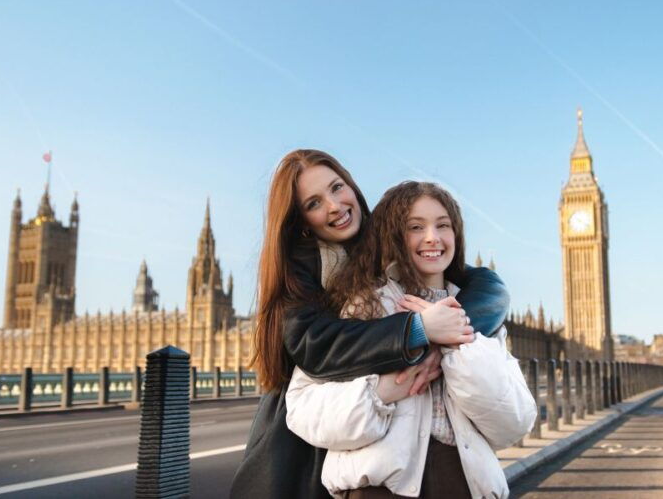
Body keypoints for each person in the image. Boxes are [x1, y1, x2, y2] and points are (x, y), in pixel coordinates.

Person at [229, 150, 510, 499]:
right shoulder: (301, 265)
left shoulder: (386, 239)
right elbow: (316, 345)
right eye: (315, 203)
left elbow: (489, 288)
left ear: (352, 186)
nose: (334, 205)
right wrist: (418, 331)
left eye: (337, 187)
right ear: (302, 221)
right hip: (310, 435)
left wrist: (448, 333)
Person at [285, 181, 536, 498]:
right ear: (393, 237)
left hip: (462, 484)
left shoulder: (479, 315)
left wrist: (455, 344)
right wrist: (383, 392)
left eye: (443, 225)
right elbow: (304, 410)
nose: (432, 236)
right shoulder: (365, 305)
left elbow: (513, 423)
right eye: (415, 227)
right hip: (378, 489)